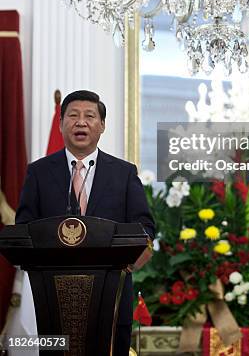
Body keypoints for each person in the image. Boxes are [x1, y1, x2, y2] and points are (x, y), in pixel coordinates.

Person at [16, 90, 155, 356]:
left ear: (102, 125)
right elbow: (24, 227)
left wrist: (132, 257)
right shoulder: (39, 172)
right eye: (73, 116)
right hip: (53, 295)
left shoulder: (124, 173)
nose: (81, 122)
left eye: (90, 116)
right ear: (61, 124)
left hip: (111, 292)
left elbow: (144, 227)